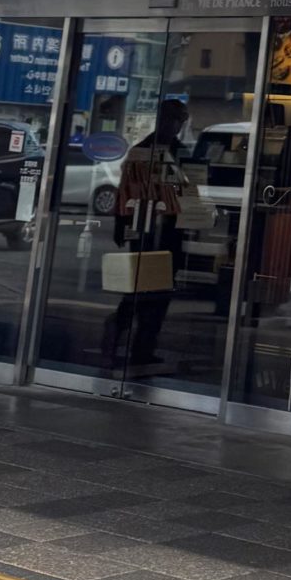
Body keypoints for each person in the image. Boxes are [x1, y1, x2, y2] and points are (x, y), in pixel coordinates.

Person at [105, 98, 188, 374]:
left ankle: (144, 346)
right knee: (140, 289)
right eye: (172, 119)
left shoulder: (180, 151)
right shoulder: (142, 150)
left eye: (179, 120)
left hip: (171, 229)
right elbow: (125, 190)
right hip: (144, 227)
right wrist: (121, 223)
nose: (175, 125)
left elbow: (191, 189)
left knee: (160, 292)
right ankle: (118, 330)